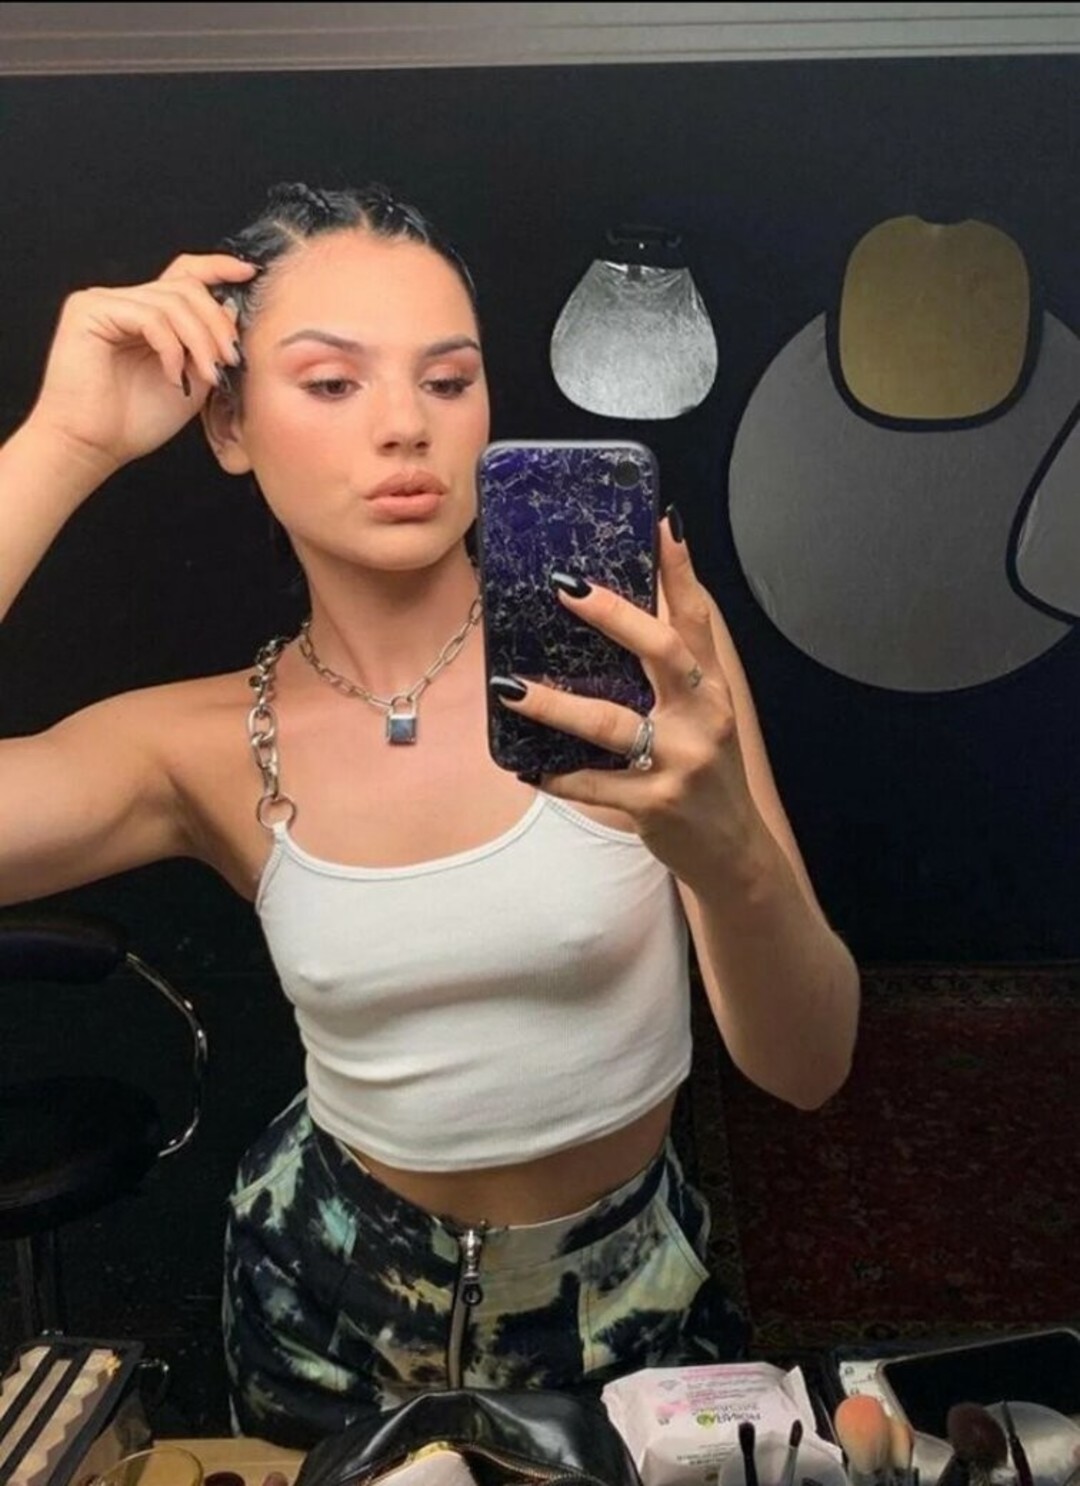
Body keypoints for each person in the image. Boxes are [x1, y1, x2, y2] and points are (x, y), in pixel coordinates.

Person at [0, 182, 860, 1447]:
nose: (405, 424)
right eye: (331, 382)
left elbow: (810, 1065)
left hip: (627, 1302)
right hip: (322, 1301)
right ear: (229, 423)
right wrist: (65, 441)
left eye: (448, 380)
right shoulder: (197, 744)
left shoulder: (639, 659)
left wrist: (725, 849)